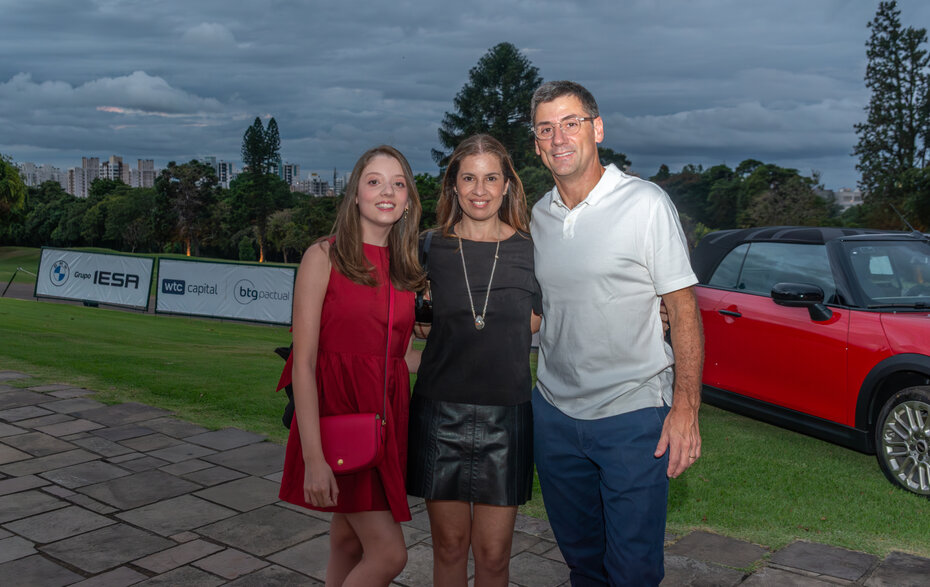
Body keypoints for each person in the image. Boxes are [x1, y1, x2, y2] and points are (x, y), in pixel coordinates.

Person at [529, 81, 704, 586]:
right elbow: (541, 311)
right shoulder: (538, 216)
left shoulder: (645, 204)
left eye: (571, 122)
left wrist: (686, 408)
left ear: (597, 128)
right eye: (546, 128)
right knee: (583, 566)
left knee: (632, 573)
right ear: (537, 144)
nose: (559, 137)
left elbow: (683, 310)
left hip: (633, 417)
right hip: (555, 417)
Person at [278, 145, 424, 586]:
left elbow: (397, 359)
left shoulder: (406, 268)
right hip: (340, 421)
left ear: (408, 200)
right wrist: (314, 456)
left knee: (348, 543)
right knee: (389, 555)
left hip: (384, 422)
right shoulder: (324, 256)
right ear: (355, 193)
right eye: (375, 181)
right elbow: (303, 364)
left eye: (398, 184)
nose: (387, 192)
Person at [407, 134, 541, 587]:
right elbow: (413, 324)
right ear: (453, 186)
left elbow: (540, 320)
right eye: (469, 178)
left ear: (507, 186)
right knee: (447, 548)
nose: (479, 190)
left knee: (494, 554)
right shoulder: (427, 248)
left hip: (507, 417)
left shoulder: (533, 249)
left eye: (490, 178)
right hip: (439, 414)